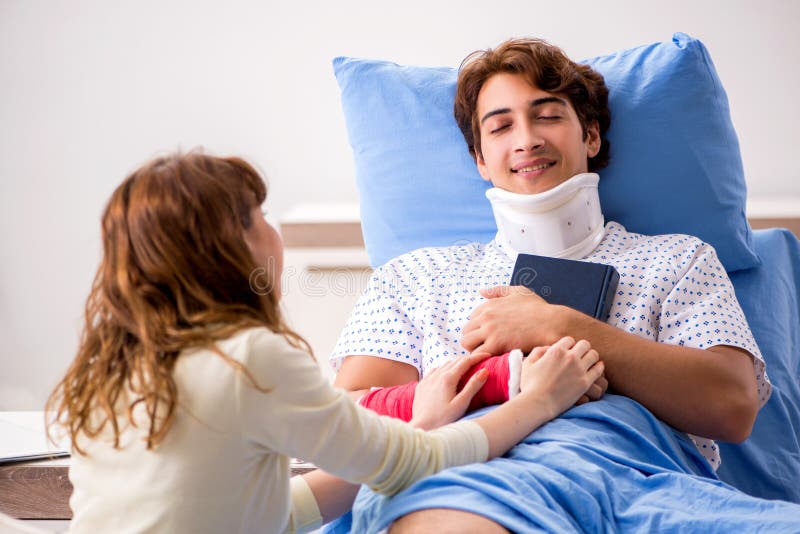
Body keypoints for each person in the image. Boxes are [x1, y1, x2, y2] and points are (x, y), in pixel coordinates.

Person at [330, 38, 792, 532]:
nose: (526, 139)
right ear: (480, 160)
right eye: (501, 126)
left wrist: (560, 325)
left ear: (590, 135)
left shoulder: (677, 258)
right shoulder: (417, 275)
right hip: (474, 481)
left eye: (547, 115)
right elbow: (349, 417)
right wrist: (504, 381)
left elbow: (734, 406)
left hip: (650, 491)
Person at [44, 152, 605, 533]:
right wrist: (541, 401)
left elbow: (266, 516)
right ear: (228, 248)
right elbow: (419, 461)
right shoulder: (248, 359)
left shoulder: (110, 368)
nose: (274, 231)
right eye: (260, 216)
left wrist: (417, 431)